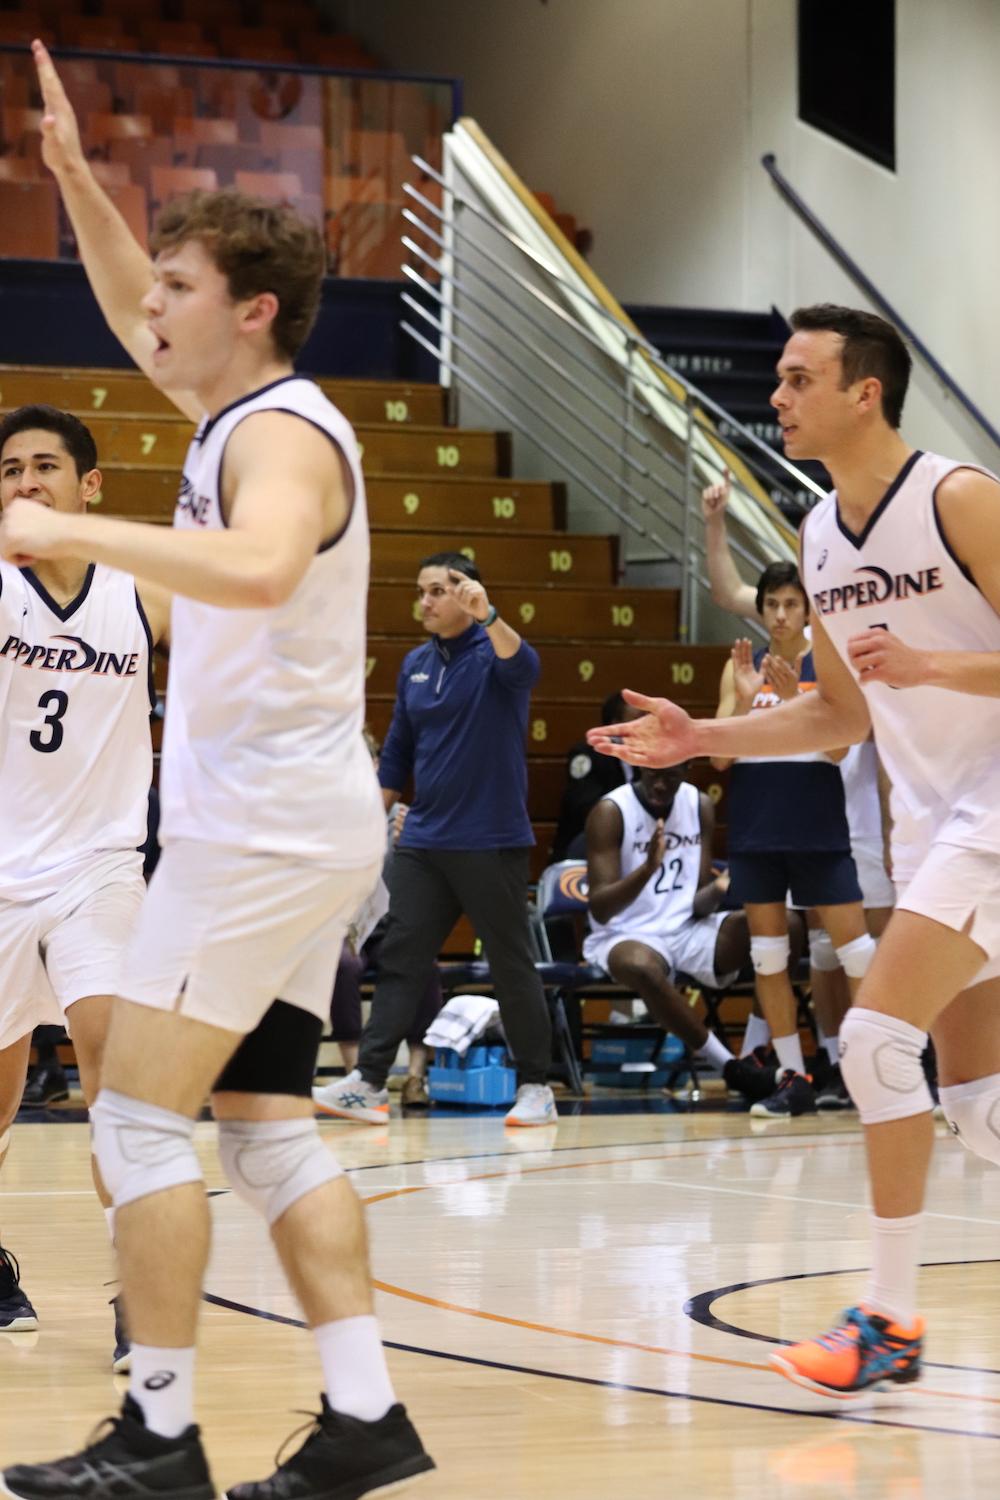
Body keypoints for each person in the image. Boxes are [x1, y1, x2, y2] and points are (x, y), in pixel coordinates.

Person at [0, 41, 433, 1500]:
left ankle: (161, 1435)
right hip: (298, 833)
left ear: (251, 314)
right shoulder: (239, 416)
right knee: (260, 1130)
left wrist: (79, 534)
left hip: (254, 837)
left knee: (132, 1116)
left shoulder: (285, 436)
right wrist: (75, 176)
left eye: (179, 293)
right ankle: (368, 1416)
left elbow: (254, 570)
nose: (145, 313)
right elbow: (133, 303)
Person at [588, 302, 1000, 1399]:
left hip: (995, 814)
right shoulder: (819, 535)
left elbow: (912, 676)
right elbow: (837, 718)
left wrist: (934, 668)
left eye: (796, 378)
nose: (774, 397)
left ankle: (888, 1323)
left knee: (867, 1043)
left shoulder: (959, 498)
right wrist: (703, 737)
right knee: (979, 1110)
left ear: (865, 391)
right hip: (932, 826)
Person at [0, 404, 170, 1368]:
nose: (27, 483)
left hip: (101, 867)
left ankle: (138, 1292)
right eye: (11, 471)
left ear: (88, 487)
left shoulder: (141, 589)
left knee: (113, 1051)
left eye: (46, 468)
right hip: (1, 874)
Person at [316, 551, 557, 1128]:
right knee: (401, 958)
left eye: (437, 592)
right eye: (420, 591)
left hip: (491, 839)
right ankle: (370, 1083)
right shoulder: (415, 665)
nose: (424, 602)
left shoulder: (494, 656)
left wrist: (489, 614)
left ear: (467, 594)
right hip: (425, 840)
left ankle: (536, 1088)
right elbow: (397, 752)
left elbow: (525, 666)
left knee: (511, 964)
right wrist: (367, 824)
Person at [702, 473, 895, 1107]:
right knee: (767, 959)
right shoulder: (741, 667)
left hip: (817, 826)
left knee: (857, 951)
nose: (782, 615)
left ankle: (888, 1065)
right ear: (761, 611)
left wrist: (791, 706)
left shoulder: (827, 667)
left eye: (792, 604)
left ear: (808, 611)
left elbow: (839, 749)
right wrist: (745, 702)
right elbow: (722, 760)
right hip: (757, 830)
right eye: (773, 605)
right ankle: (794, 1077)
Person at [582, 757, 746, 1075]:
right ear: (640, 767)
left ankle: (754, 1050)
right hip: (625, 933)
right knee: (641, 966)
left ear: (686, 771)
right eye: (653, 775)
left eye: (670, 777)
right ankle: (728, 1065)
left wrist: (720, 889)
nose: (660, 785)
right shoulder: (611, 811)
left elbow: (697, 901)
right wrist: (646, 870)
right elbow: (600, 910)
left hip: (686, 927)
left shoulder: (699, 804)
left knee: (782, 926)